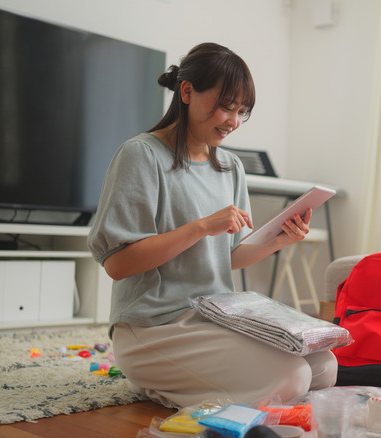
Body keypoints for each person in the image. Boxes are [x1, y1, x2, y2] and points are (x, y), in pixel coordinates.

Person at [87, 42, 338, 409]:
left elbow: (229, 258)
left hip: (212, 316)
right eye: (225, 106)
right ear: (187, 92)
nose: (232, 122)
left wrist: (279, 239)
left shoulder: (229, 166)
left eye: (241, 112)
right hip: (153, 326)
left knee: (322, 366)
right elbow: (118, 264)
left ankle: (206, 388)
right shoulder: (140, 155)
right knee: (293, 377)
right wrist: (200, 227)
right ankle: (163, 387)